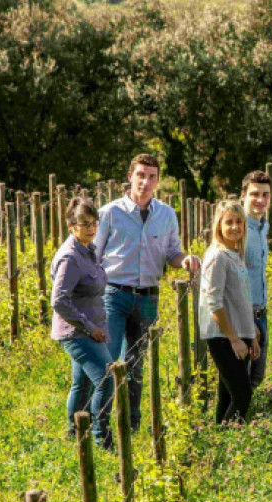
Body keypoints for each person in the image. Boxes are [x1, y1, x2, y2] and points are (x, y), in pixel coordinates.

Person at [94, 153, 200, 429]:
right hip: (113, 294)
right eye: (141, 175)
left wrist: (185, 260)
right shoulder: (109, 213)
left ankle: (131, 424)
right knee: (108, 361)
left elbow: (172, 253)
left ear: (158, 180)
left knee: (136, 363)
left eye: (152, 177)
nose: (146, 181)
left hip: (148, 297)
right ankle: (99, 426)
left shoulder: (166, 214)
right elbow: (93, 255)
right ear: (130, 177)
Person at [50, 197, 113, 448]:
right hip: (76, 332)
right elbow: (59, 300)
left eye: (94, 223)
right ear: (71, 226)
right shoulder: (70, 257)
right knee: (107, 380)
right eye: (85, 223)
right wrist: (89, 327)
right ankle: (100, 437)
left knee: (83, 383)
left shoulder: (88, 249)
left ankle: (74, 435)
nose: (91, 228)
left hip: (90, 329)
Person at [199, 200, 260, 424]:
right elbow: (214, 302)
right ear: (219, 226)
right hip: (223, 336)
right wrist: (234, 339)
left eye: (239, 222)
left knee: (228, 396)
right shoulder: (217, 257)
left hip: (240, 334)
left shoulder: (234, 254)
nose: (235, 227)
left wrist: (251, 333)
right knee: (243, 395)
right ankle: (230, 440)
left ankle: (220, 439)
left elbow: (240, 299)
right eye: (229, 222)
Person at [241, 170, 272, 390]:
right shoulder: (237, 228)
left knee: (255, 380)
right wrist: (246, 321)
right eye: (254, 194)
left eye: (265, 195)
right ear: (243, 195)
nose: (260, 200)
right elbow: (231, 281)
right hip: (243, 315)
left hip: (261, 313)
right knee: (240, 383)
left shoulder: (263, 226)